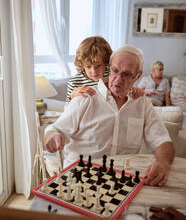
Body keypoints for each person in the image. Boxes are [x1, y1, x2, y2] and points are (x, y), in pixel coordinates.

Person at [44, 45, 175, 187]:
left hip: (120, 182)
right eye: (115, 71)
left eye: (126, 74)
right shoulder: (85, 97)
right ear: (109, 68)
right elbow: (54, 129)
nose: (118, 80)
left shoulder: (142, 104)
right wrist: (51, 136)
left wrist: (163, 164)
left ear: (137, 76)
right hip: (79, 179)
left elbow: (163, 141)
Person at [66, 36, 143, 102]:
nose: (94, 71)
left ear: (106, 62)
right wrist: (72, 96)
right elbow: (67, 110)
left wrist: (133, 90)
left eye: (98, 66)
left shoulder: (110, 74)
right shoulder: (74, 82)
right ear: (82, 65)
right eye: (88, 66)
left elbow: (123, 88)